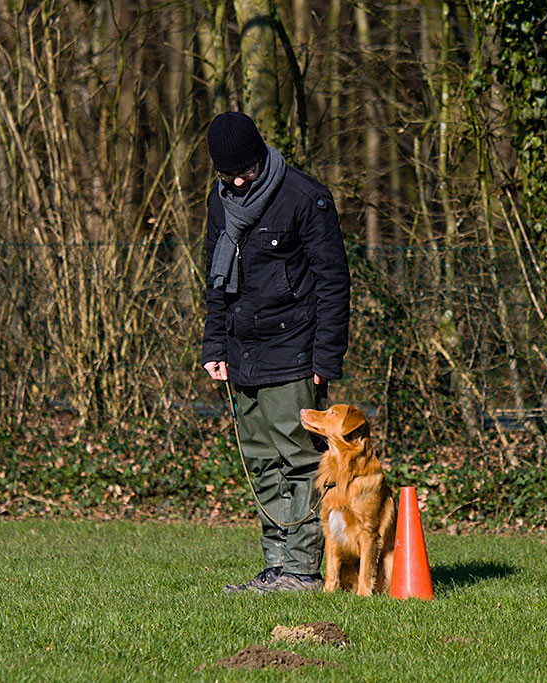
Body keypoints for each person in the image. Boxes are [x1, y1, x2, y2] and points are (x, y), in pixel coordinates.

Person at [201, 111, 350, 594]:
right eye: (229, 174)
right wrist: (214, 345)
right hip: (241, 353)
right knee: (261, 461)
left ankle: (302, 570)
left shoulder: (305, 198)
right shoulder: (220, 202)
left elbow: (333, 283)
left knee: (300, 461)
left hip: (294, 351)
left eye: (245, 171)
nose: (238, 182)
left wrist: (326, 358)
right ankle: (276, 564)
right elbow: (214, 282)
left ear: (261, 156)